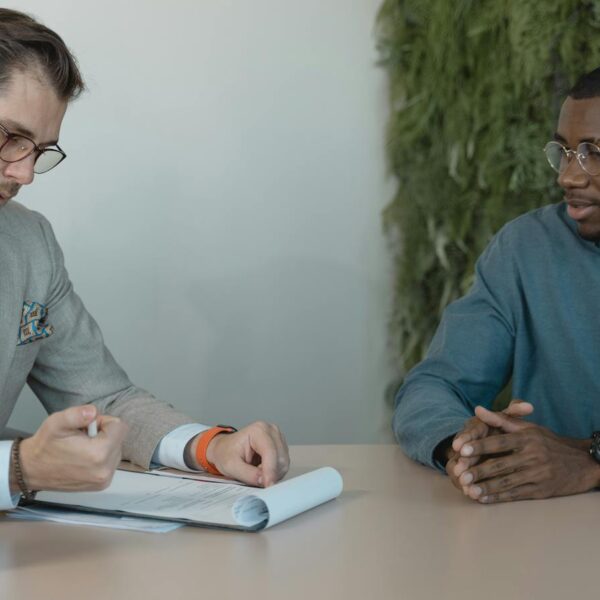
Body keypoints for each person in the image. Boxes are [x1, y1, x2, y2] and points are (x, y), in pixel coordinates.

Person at [0, 8, 289, 510]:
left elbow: (104, 400)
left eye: (41, 150)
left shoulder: (31, 243)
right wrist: (20, 468)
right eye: (9, 138)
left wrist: (210, 448)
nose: (25, 174)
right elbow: (23, 466)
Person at [393, 66, 600, 504]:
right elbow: (432, 387)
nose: (569, 176)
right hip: (538, 535)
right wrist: (466, 445)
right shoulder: (525, 248)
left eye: (594, 153)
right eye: (563, 152)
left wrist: (586, 462)